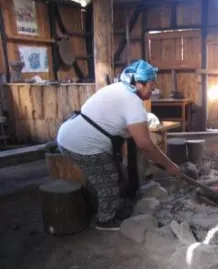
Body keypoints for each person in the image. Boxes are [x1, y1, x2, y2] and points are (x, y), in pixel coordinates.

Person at [56, 60, 181, 231]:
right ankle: (105, 220)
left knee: (117, 171)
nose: (154, 88)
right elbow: (144, 144)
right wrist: (170, 166)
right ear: (138, 83)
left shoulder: (119, 89)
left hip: (71, 134)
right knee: (109, 180)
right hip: (80, 143)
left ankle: (110, 204)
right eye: (152, 84)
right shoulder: (132, 102)